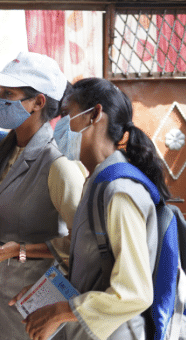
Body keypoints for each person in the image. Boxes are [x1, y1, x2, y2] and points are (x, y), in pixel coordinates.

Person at [10, 77, 171, 340]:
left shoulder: (119, 191)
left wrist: (58, 312)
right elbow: (90, 253)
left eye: (66, 115)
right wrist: (44, 295)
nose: (59, 126)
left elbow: (133, 292)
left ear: (94, 115)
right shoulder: (96, 182)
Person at [0, 52, 87, 340]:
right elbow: (6, 210)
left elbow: (84, 242)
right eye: (0, 91)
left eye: (8, 93)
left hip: (31, 307)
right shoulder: (3, 149)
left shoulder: (58, 165)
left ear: (38, 102)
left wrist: (21, 250)